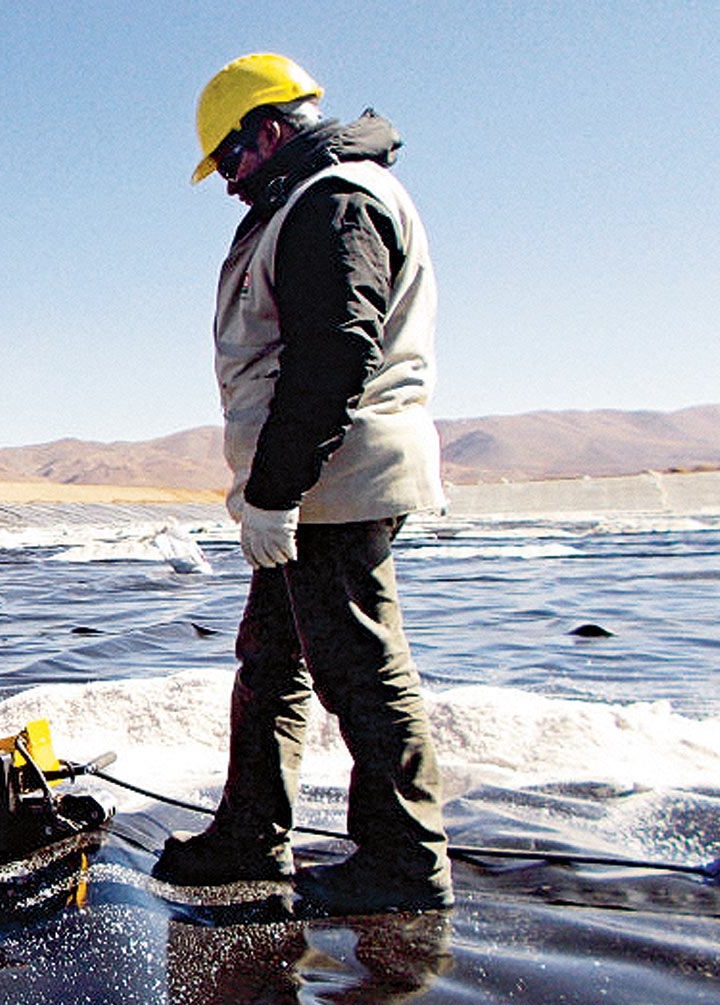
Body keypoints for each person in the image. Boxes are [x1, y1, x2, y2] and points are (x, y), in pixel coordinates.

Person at [151, 54, 451, 914]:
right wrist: (273, 491)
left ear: (272, 131)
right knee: (273, 659)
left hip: (335, 480)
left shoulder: (333, 202)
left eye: (232, 158)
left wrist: (278, 493)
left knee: (357, 666)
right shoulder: (302, 201)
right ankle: (251, 833)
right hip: (310, 481)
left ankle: (404, 863)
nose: (229, 181)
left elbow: (335, 355)